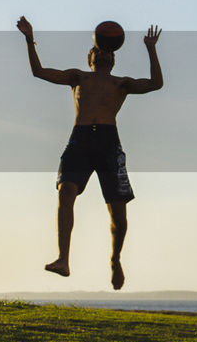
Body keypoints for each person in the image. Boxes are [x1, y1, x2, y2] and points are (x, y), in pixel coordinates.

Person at [16, 17, 162, 290]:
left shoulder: (122, 83)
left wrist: (151, 48)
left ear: (113, 58)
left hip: (108, 143)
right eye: (98, 50)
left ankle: (115, 258)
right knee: (65, 192)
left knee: (118, 214)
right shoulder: (77, 77)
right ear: (91, 55)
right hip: (80, 140)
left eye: (108, 51)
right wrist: (29, 38)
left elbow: (156, 83)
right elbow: (39, 71)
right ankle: (63, 259)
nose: (103, 52)